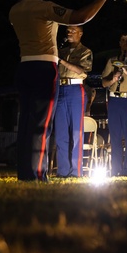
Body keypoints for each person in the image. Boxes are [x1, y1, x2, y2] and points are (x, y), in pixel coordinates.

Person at [9, 0, 115, 182]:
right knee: (42, 124)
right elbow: (80, 17)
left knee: (27, 124)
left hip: (24, 67)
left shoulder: (15, 10)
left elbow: (27, 11)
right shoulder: (45, 7)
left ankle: (25, 174)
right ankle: (38, 175)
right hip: (44, 68)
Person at [100, 32, 127, 176]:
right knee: (115, 135)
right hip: (115, 100)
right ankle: (115, 168)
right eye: (123, 40)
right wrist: (112, 79)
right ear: (119, 43)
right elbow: (103, 82)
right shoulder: (112, 60)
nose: (125, 43)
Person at [52, 25, 93, 177]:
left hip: (75, 90)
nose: (69, 33)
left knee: (76, 132)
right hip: (60, 89)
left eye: (72, 31)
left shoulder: (85, 51)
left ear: (80, 34)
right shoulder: (60, 51)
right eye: (68, 31)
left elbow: (82, 71)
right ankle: (63, 171)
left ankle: (76, 171)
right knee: (61, 132)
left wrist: (61, 61)